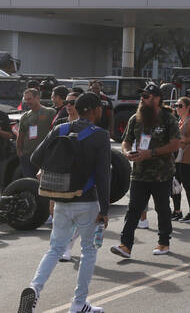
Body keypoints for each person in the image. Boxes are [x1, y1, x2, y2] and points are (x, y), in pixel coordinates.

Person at [18, 93, 110, 313]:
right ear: (94, 109)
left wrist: (58, 168)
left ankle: (35, 289)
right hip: (87, 200)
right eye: (100, 108)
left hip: (60, 199)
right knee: (88, 250)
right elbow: (103, 175)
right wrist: (105, 210)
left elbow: (35, 159)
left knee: (55, 248)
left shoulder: (60, 128)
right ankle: (79, 303)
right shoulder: (100, 136)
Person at [112, 84, 180, 258]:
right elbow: (126, 141)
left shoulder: (168, 118)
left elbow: (175, 144)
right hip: (140, 173)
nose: (142, 99)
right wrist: (127, 153)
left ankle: (163, 243)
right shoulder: (135, 118)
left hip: (161, 174)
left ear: (157, 99)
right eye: (142, 96)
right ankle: (125, 245)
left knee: (162, 208)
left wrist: (151, 153)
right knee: (133, 209)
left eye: (147, 96)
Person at [16, 88, 55, 178]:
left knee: (43, 183)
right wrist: (20, 153)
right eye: (25, 99)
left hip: (44, 156)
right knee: (29, 183)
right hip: (27, 156)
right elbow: (20, 136)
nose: (27, 102)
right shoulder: (25, 116)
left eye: (29, 99)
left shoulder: (50, 112)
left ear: (37, 97)